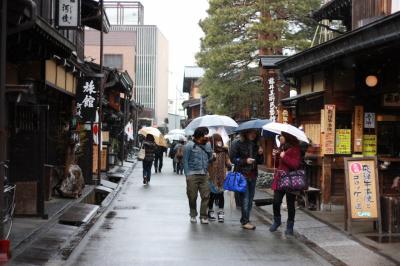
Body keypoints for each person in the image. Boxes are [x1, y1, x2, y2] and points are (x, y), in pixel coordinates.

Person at [230, 130, 264, 230]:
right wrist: (245, 161)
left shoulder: (255, 144)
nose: (253, 135)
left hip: (253, 175)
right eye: (251, 133)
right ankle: (245, 221)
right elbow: (233, 159)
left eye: (255, 133)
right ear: (245, 133)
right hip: (242, 174)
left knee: (250, 199)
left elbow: (260, 161)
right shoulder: (237, 143)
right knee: (245, 198)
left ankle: (246, 219)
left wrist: (260, 154)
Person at [269, 132, 301, 235]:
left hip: (290, 179)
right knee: (276, 201)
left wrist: (284, 157)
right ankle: (277, 221)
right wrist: (276, 156)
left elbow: (295, 165)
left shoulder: (295, 149)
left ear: (287, 137)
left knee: (290, 204)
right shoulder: (282, 147)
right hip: (280, 178)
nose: (280, 138)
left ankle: (290, 226)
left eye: (281, 136)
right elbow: (280, 164)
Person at [183, 127, 215, 224]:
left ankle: (203, 216)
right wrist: (187, 175)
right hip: (192, 174)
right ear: (199, 136)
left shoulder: (208, 145)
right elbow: (185, 161)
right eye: (205, 134)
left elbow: (210, 159)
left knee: (206, 196)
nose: (207, 136)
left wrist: (212, 157)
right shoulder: (189, 145)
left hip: (204, 174)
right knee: (192, 196)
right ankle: (193, 214)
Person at [207, 133, 232, 223]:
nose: (219, 143)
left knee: (221, 195)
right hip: (211, 176)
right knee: (212, 195)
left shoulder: (224, 151)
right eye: (217, 141)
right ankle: (210, 211)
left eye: (220, 140)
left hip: (222, 176)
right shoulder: (209, 150)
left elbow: (228, 160)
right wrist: (211, 158)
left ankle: (221, 212)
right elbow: (206, 162)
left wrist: (229, 164)